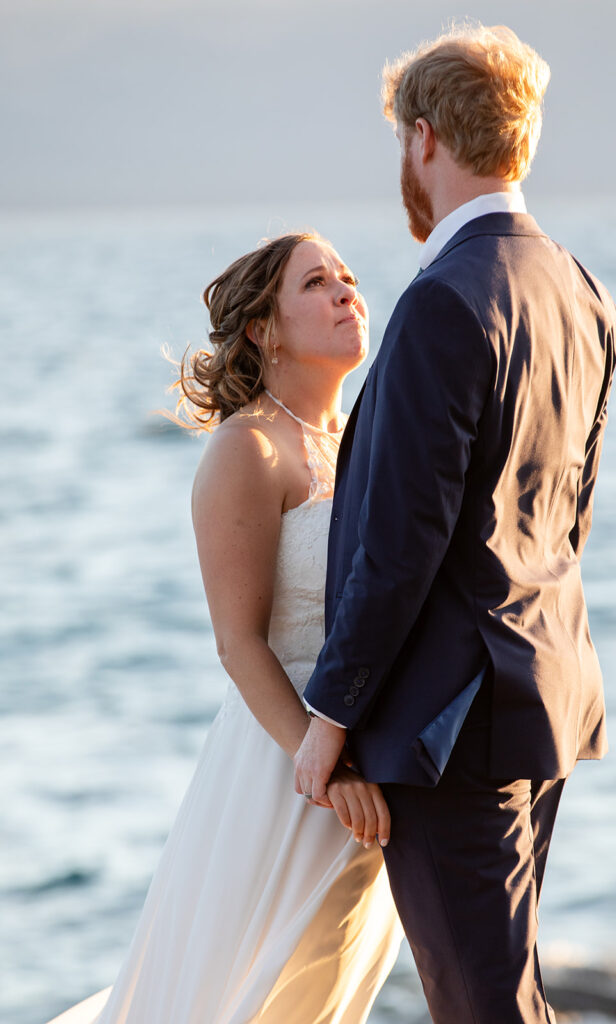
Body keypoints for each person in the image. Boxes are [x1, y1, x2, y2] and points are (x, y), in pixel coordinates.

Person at [295, 23, 616, 1024]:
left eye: (401, 140)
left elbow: (401, 545)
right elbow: (569, 516)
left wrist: (330, 717)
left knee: (481, 1008)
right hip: (544, 692)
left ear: (423, 139)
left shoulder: (444, 301)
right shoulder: (579, 289)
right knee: (505, 995)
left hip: (450, 726)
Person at [46, 232, 402, 1024]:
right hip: (288, 771)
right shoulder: (248, 450)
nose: (347, 292)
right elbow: (237, 643)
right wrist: (326, 769)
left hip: (371, 767)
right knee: (245, 993)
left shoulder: (362, 441)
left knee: (328, 992)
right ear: (263, 330)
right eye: (317, 283)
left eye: (347, 277)